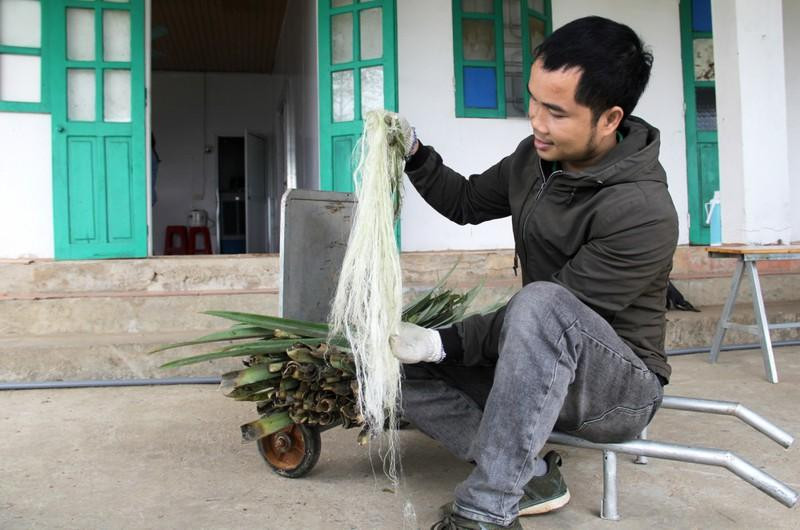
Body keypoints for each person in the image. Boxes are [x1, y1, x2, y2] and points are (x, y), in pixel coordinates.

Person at [388, 16, 679, 529]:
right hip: (536, 365)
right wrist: (415, 154)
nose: (537, 122)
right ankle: (533, 472)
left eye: (557, 112)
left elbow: (555, 314)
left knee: (541, 303)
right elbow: (465, 201)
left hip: (616, 389)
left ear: (609, 119)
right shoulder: (535, 159)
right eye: (534, 101)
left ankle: (487, 509)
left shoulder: (642, 210)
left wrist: (445, 342)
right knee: (397, 374)